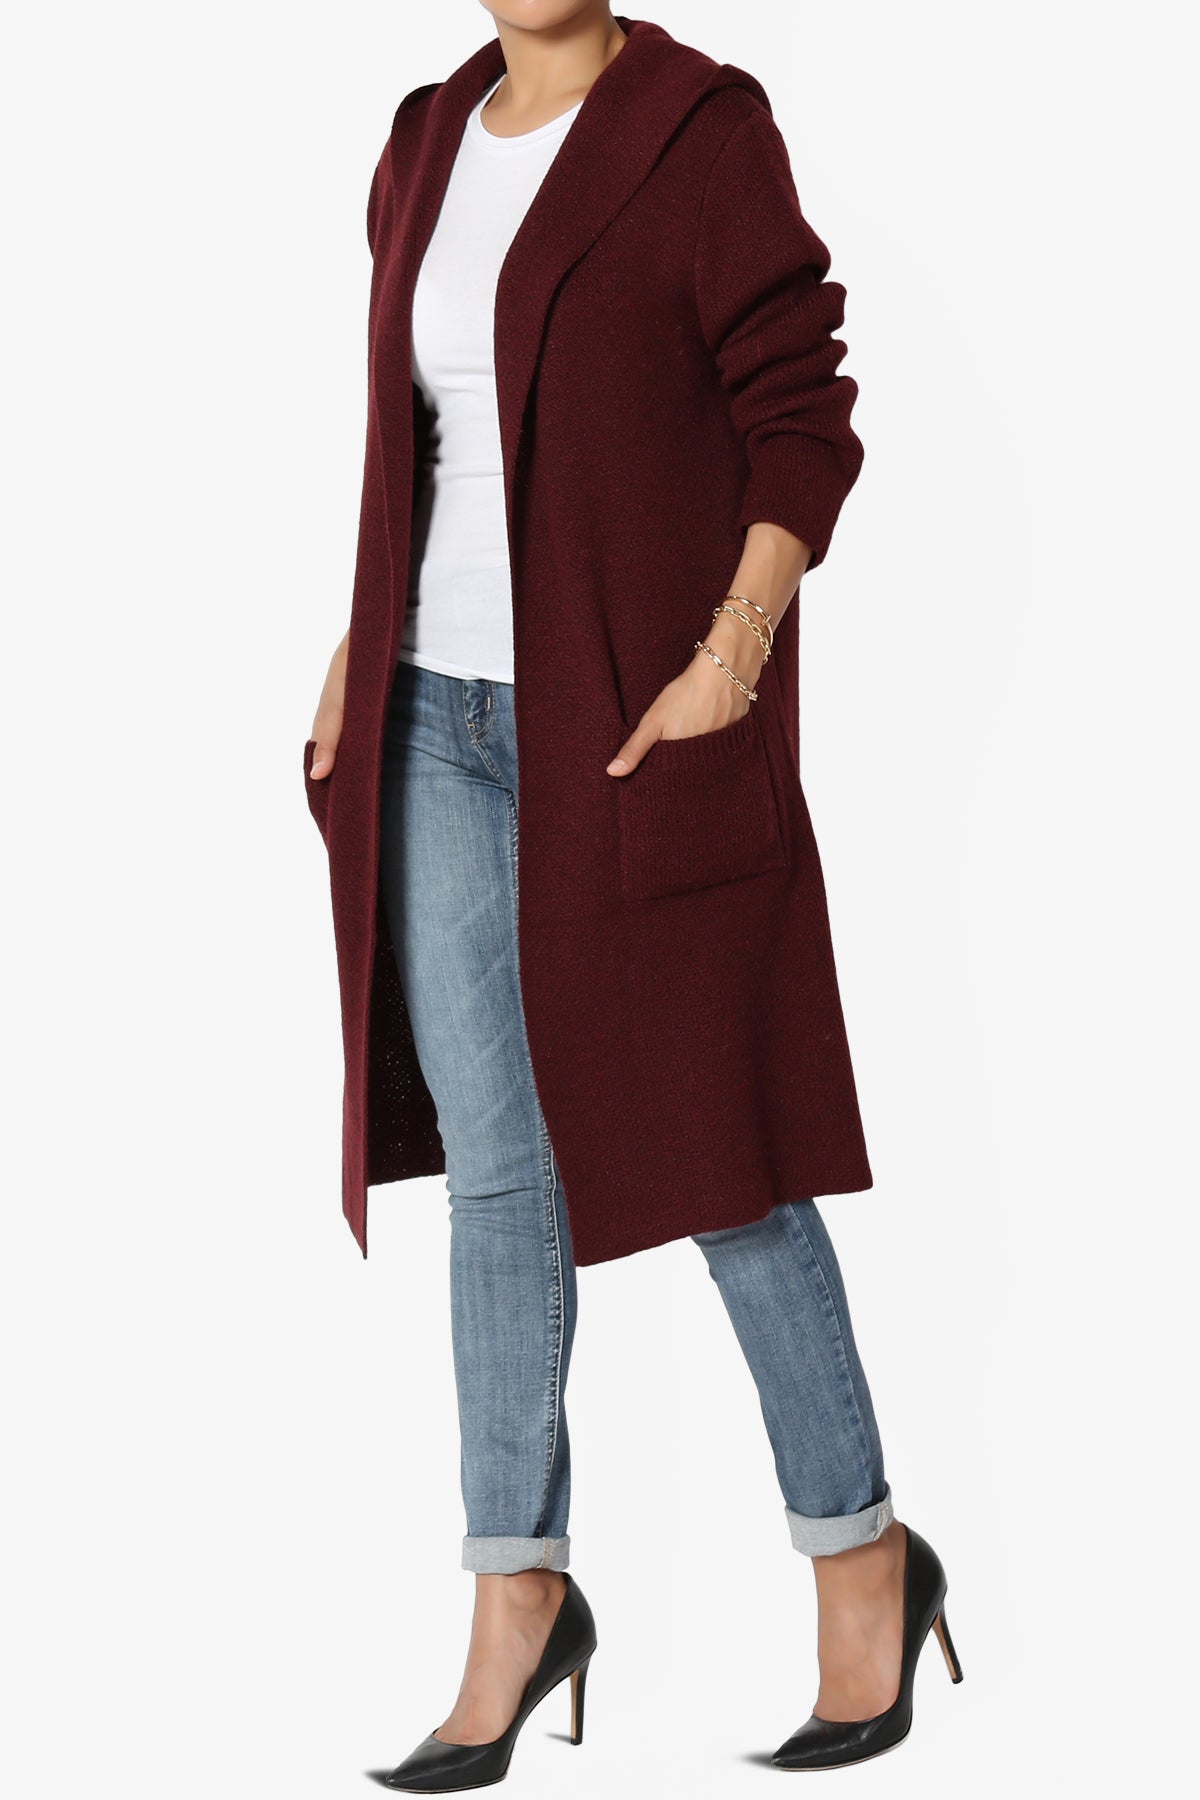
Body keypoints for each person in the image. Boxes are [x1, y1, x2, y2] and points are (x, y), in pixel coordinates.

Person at [303, 6, 961, 1786]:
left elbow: (803, 415)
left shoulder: (702, 129)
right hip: (432, 724)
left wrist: (733, 656)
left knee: (719, 1156)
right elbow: (418, 445)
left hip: (628, 727)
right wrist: (359, 643)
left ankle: (863, 1554)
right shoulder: (425, 137)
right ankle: (517, 1596)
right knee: (498, 1177)